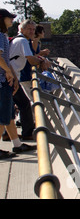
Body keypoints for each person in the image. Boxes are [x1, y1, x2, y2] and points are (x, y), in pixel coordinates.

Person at [0, 9, 36, 159]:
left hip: (6, 80)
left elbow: (7, 60)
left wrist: (13, 77)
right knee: (3, 116)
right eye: (9, 18)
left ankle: (17, 144)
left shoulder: (4, 36)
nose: (12, 21)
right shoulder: (0, 36)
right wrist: (9, 73)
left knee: (8, 115)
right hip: (2, 81)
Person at [8, 19, 46, 141]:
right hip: (11, 78)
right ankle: (28, 133)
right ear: (22, 29)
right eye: (29, 29)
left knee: (9, 105)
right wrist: (43, 62)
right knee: (24, 104)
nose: (32, 31)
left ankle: (7, 134)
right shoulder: (23, 41)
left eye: (33, 29)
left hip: (10, 77)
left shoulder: (17, 40)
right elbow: (31, 60)